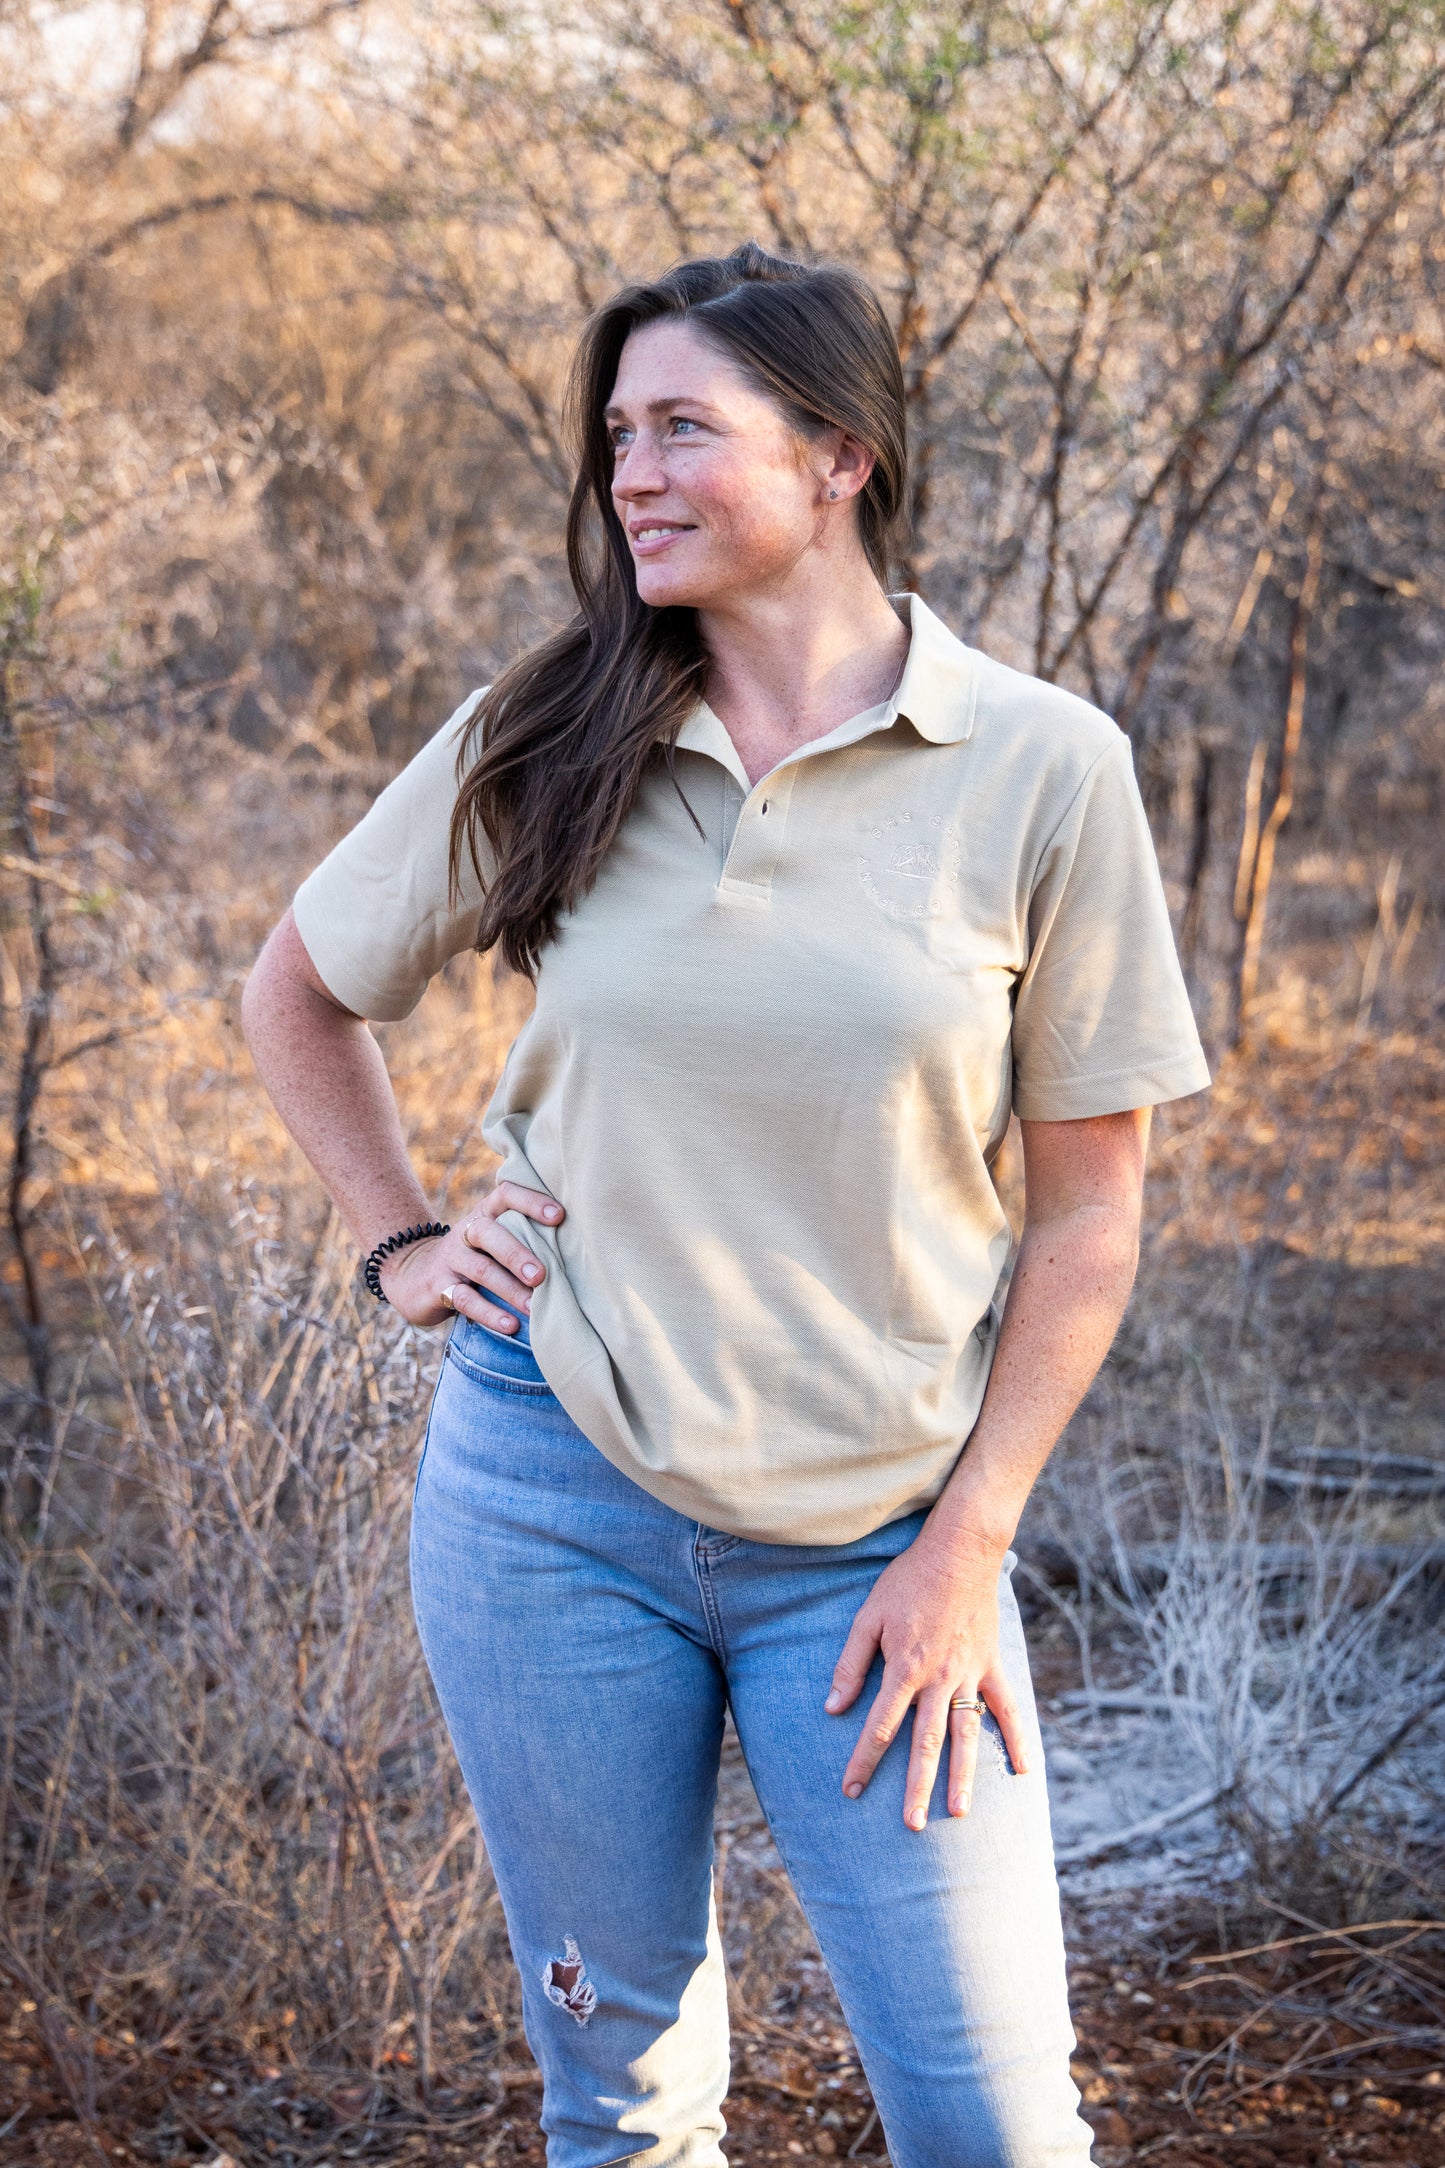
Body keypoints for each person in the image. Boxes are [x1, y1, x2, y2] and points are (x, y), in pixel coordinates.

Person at [242, 240, 1210, 2168]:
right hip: (548, 1503)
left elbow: (1089, 1214)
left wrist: (967, 1549)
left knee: (992, 2117)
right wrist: (405, 1238)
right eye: (617, 434)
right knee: (621, 2091)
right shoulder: (550, 725)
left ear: (841, 454)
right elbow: (300, 990)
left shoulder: (1036, 766)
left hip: (882, 1543)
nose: (634, 474)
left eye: (686, 426)